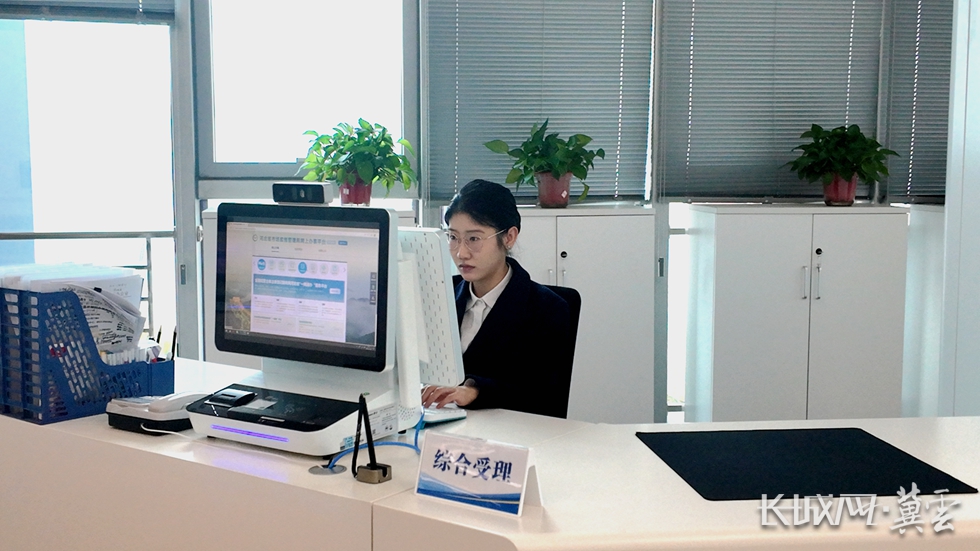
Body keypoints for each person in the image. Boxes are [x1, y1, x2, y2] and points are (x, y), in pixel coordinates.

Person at [421, 179, 574, 418]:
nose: (461, 252)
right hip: (437, 424)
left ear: (509, 237)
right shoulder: (440, 295)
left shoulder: (547, 309)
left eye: (474, 239)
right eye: (453, 237)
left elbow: (544, 399)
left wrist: (476, 392)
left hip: (507, 434)